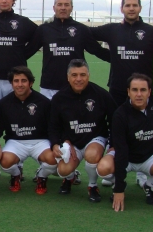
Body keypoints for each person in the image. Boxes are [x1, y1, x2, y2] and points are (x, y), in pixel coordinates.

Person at [96, 74, 153, 210]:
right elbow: (121, 150)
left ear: (149, 91)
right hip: (127, 158)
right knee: (103, 168)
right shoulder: (120, 114)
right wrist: (119, 188)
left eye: (143, 90)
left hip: (151, 157)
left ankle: (150, 185)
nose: (139, 94)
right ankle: (118, 184)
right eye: (134, 90)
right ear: (128, 92)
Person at [48, 59, 117, 202]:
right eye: (74, 75)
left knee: (92, 154)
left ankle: (92, 186)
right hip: (72, 142)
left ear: (88, 76)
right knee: (63, 170)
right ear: (68, 77)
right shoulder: (59, 98)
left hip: (95, 138)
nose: (78, 79)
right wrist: (56, 143)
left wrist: (113, 146)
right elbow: (53, 125)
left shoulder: (101, 95)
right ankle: (70, 178)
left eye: (82, 75)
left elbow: (114, 121)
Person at [26, 0, 109, 99]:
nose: (63, 8)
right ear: (54, 8)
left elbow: (97, 50)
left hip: (75, 86)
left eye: (66, 5)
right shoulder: (43, 29)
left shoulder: (81, 29)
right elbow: (28, 51)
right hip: (49, 87)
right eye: (59, 4)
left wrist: (118, 60)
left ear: (71, 8)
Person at [0, 66, 57, 194]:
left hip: (40, 141)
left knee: (53, 159)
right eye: (16, 81)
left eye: (23, 81)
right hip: (16, 141)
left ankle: (42, 177)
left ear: (31, 83)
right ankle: (16, 175)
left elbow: (52, 126)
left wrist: (54, 144)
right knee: (5, 161)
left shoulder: (43, 102)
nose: (20, 84)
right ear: (11, 83)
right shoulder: (4, 103)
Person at [90, 0, 153, 105]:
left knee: (144, 121)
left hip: (142, 90)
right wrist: (108, 56)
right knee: (117, 121)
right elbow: (86, 33)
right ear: (122, 9)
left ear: (140, 8)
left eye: (135, 5)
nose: (131, 8)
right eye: (127, 5)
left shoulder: (151, 32)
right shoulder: (112, 30)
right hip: (118, 89)